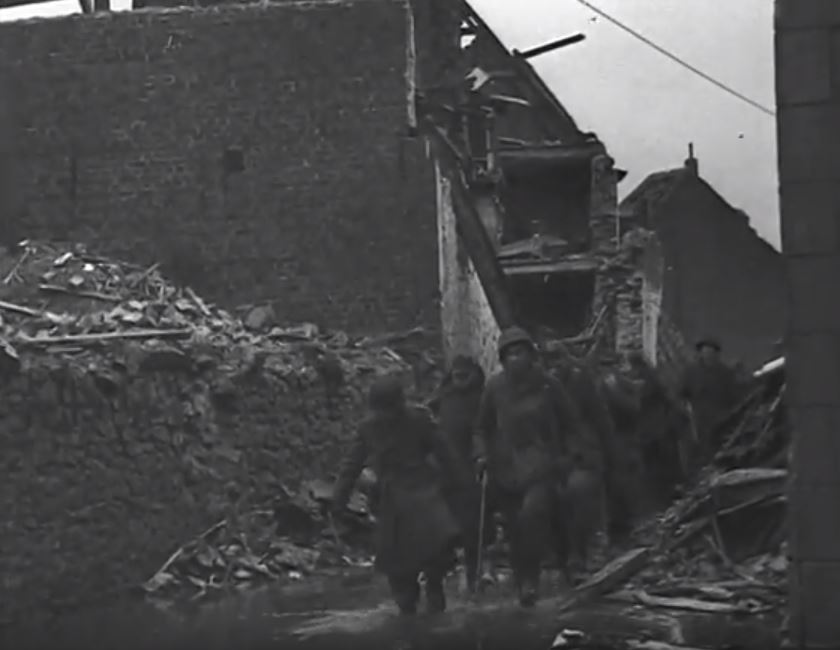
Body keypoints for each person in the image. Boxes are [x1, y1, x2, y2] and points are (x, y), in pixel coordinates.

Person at [329, 375, 466, 615]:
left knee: (432, 557)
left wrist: (458, 487)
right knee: (401, 568)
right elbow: (351, 466)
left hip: (422, 492)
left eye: (387, 409)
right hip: (396, 498)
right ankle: (411, 606)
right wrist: (338, 501)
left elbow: (445, 454)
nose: (384, 416)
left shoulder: (418, 420)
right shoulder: (369, 428)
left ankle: (432, 596)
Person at [475, 327, 586, 607]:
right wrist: (481, 455)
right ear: (502, 359)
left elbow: (572, 423)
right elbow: (481, 427)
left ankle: (537, 578)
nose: (515, 359)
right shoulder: (495, 388)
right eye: (510, 354)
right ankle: (525, 578)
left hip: (542, 464)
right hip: (506, 467)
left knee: (532, 517)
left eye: (520, 352)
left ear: (531, 355)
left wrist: (571, 454)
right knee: (515, 528)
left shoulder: (549, 385)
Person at [427, 355, 491, 594]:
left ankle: (476, 569)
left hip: (471, 463)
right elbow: (428, 409)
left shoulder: (482, 397)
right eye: (457, 376)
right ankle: (451, 568)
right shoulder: (445, 395)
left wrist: (482, 454)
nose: (460, 381)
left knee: (473, 521)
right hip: (446, 465)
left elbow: (482, 429)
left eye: (465, 376)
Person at [679, 338, 739, 467]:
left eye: (711, 352)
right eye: (705, 352)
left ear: (716, 354)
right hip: (699, 414)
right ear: (700, 353)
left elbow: (733, 395)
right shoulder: (691, 371)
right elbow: (682, 391)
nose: (707, 355)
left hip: (721, 414)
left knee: (720, 441)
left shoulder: (725, 372)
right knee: (701, 442)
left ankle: (718, 466)